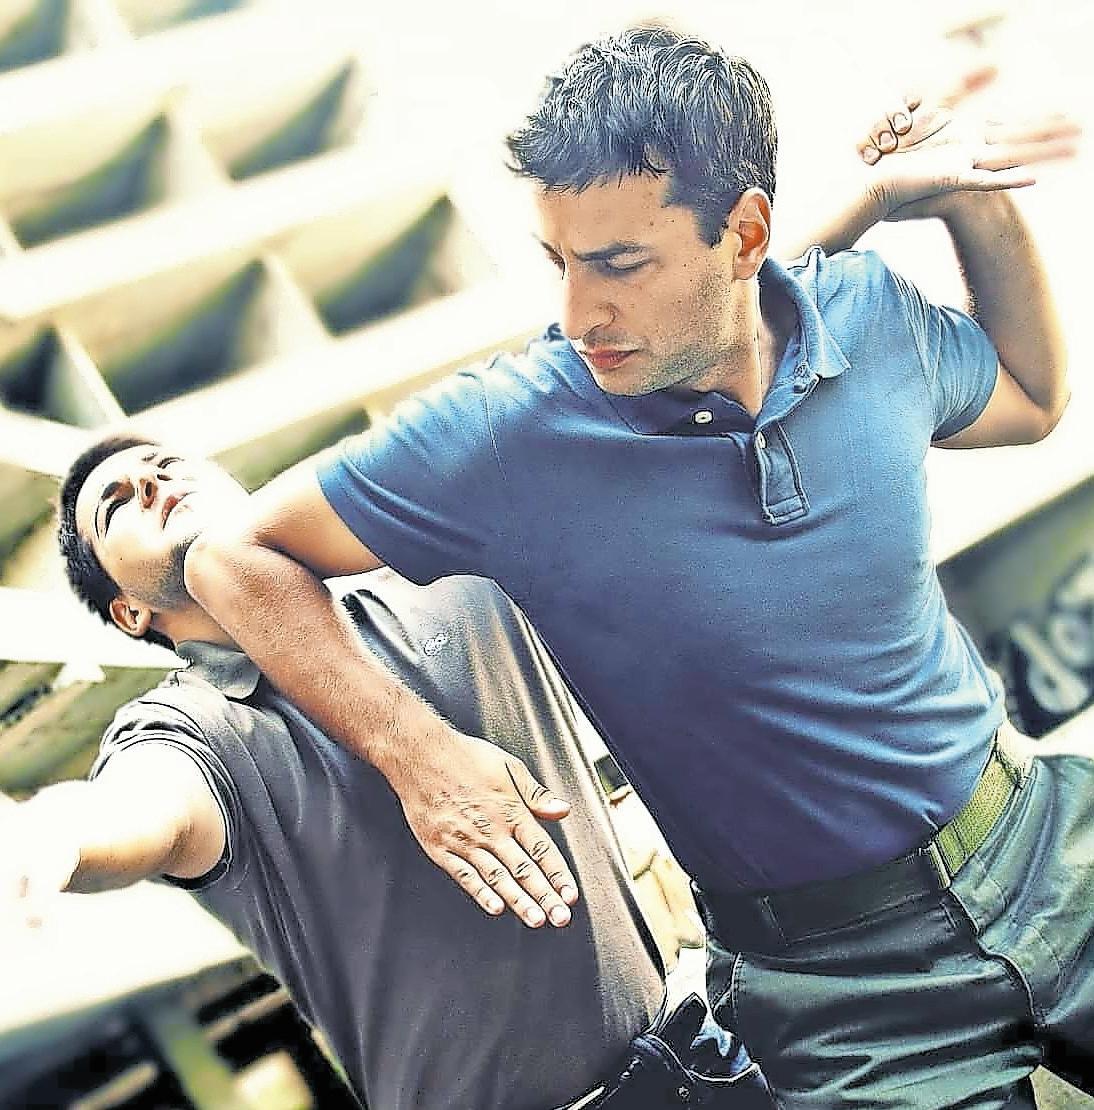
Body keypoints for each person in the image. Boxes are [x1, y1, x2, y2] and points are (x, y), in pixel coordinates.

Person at [176, 27, 1082, 1107]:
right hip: (842, 997)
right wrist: (416, 754)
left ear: (745, 233)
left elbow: (1030, 398)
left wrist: (972, 200)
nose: (576, 315)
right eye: (559, 263)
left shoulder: (865, 314)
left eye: (617, 265)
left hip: (1045, 847)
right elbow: (235, 556)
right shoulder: (509, 434)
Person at [1, 435, 773, 1110]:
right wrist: (48, 832)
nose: (152, 482)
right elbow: (136, 804)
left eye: (165, 462)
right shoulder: (196, 729)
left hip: (701, 1066)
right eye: (118, 505)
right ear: (130, 613)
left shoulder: (438, 572)